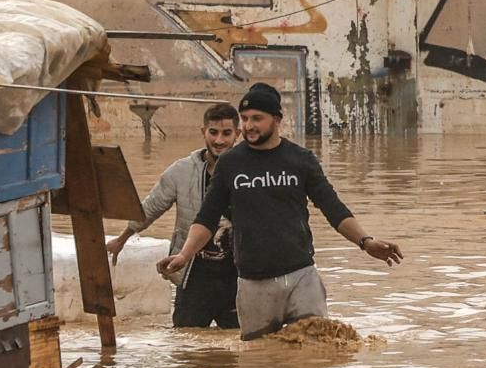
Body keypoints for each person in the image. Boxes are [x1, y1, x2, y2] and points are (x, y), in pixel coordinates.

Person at [157, 82, 402, 340]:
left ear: (277, 120)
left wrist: (366, 242)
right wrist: (184, 255)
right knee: (260, 363)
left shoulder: (300, 160)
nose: (249, 125)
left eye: (257, 119)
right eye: (246, 118)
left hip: (301, 276)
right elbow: (206, 218)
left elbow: (333, 208)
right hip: (253, 283)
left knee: (317, 348)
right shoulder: (230, 163)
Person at [107, 102, 241, 329]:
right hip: (193, 271)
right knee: (186, 344)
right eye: (213, 132)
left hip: (237, 272)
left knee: (243, 345)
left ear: (237, 134)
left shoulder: (248, 172)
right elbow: (151, 207)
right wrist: (122, 238)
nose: (219, 140)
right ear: (203, 132)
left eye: (226, 133)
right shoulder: (182, 171)